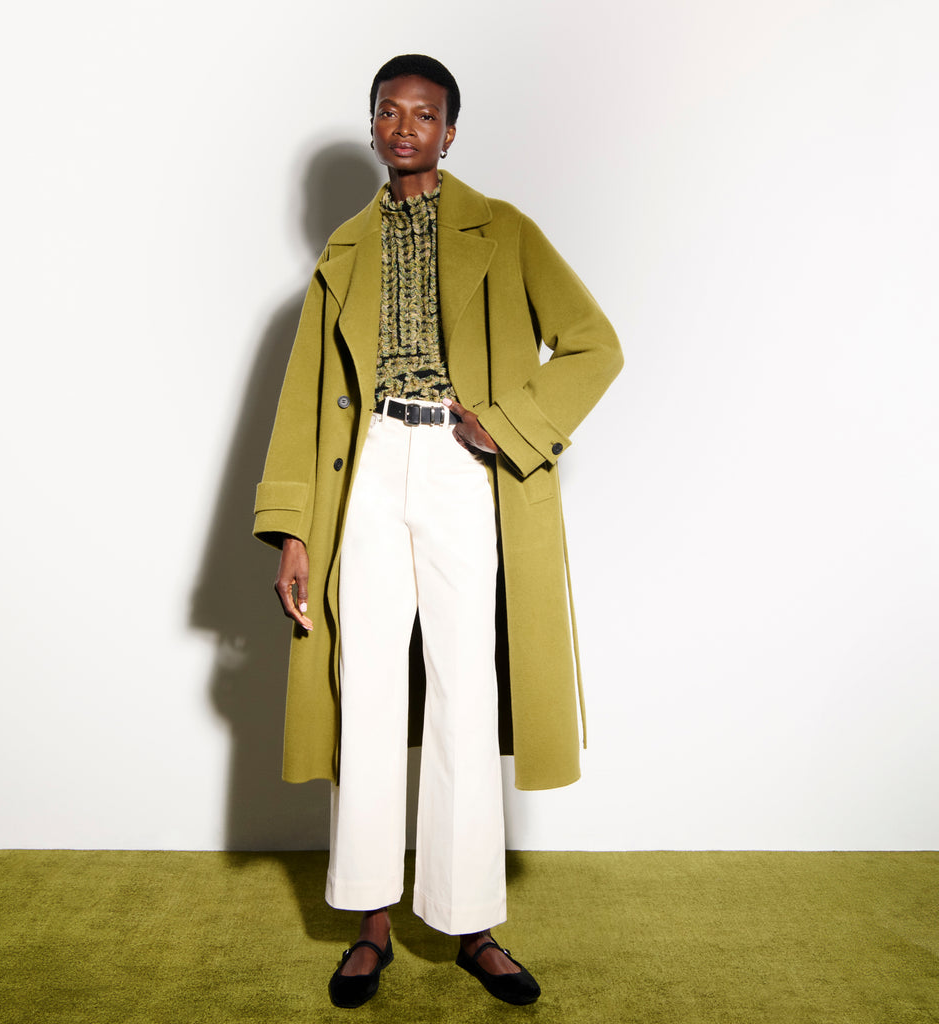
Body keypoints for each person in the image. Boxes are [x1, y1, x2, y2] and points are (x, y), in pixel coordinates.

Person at [253, 54, 623, 1008]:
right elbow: (303, 398)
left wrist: (508, 424)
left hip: (465, 467)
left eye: (425, 114)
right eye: (390, 111)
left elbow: (595, 344)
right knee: (367, 688)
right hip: (370, 465)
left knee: (466, 690)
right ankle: (369, 923)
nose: (406, 126)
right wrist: (293, 530)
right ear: (374, 127)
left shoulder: (506, 229)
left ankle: (471, 925)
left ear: (450, 133)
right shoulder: (343, 250)